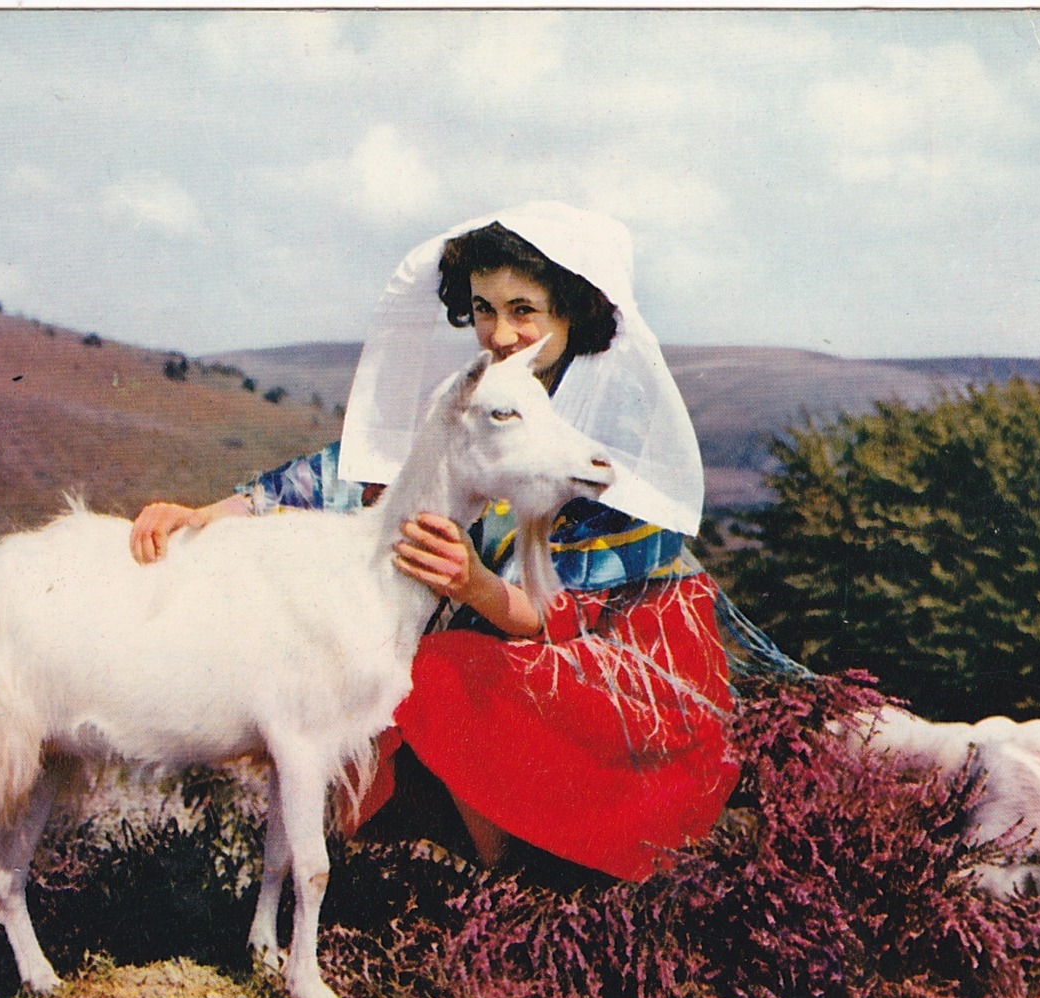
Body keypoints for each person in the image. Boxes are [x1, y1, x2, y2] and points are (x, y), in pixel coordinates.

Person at [130, 201, 744, 884]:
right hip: (520, 641)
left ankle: (518, 887)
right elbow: (358, 474)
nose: (501, 332)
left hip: (625, 669)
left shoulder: (616, 424)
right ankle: (505, 880)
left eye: (523, 310)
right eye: (484, 309)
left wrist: (472, 585)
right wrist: (209, 512)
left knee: (429, 673)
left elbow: (561, 615)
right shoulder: (484, 396)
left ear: (572, 311)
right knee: (386, 668)